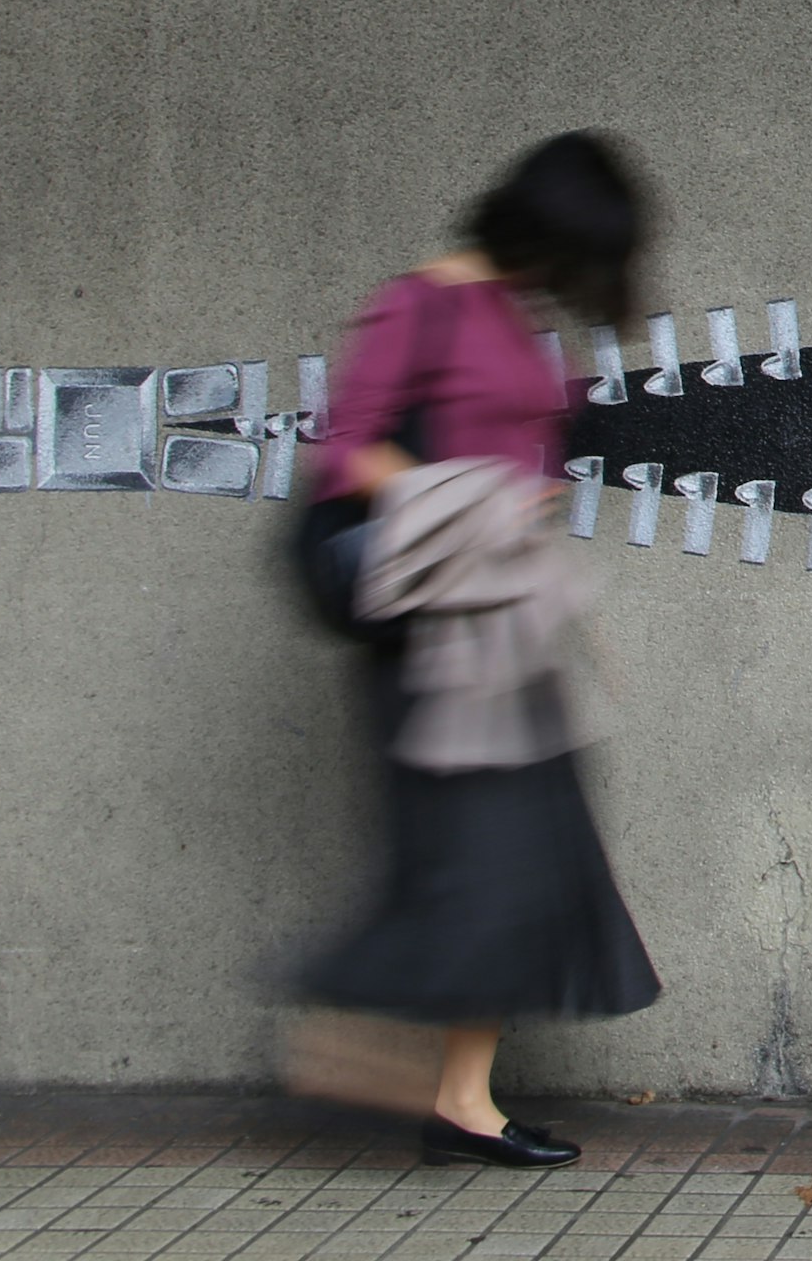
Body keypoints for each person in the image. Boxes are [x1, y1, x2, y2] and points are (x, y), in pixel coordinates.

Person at [297, 132, 663, 1168]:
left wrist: (527, 495)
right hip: (437, 629)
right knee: (470, 860)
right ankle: (345, 1044)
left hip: (505, 615)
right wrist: (473, 500)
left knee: (534, 854)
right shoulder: (421, 303)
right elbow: (345, 450)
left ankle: (463, 1101)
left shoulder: (517, 313)